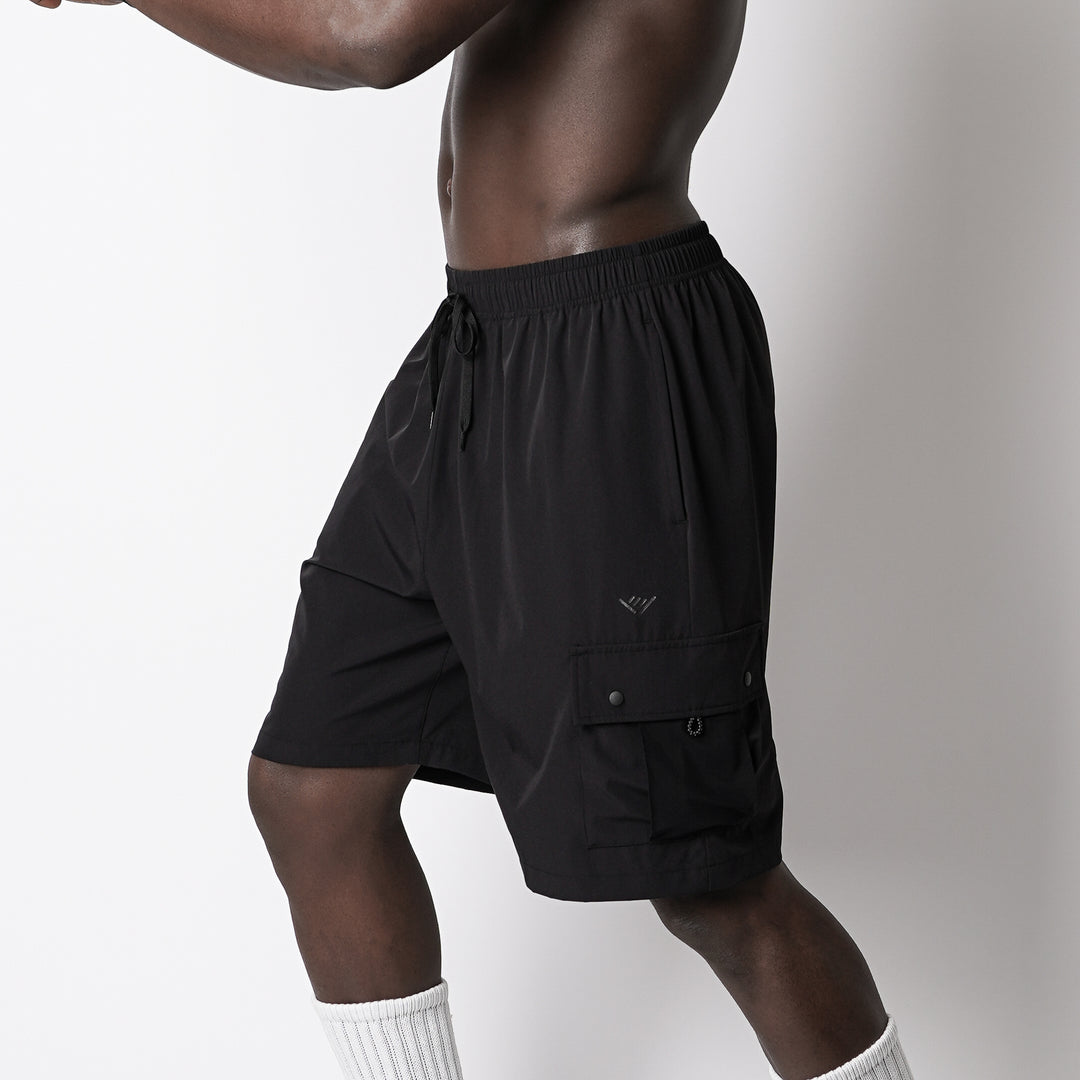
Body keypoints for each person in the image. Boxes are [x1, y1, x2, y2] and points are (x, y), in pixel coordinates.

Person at [31, 2, 917, 1078]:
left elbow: (370, 36)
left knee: (709, 879)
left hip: (611, 364)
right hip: (477, 346)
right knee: (317, 789)